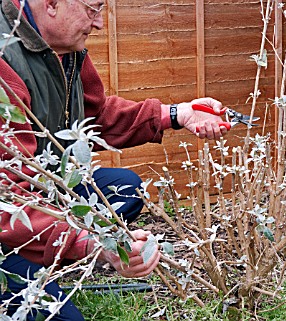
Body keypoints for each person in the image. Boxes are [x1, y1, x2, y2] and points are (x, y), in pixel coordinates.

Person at [0, 0, 229, 319]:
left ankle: (50, 259)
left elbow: (96, 118)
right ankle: (19, 282)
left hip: (48, 191)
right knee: (61, 317)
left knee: (127, 190)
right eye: (93, 9)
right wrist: (93, 244)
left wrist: (177, 114)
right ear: (52, 4)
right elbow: (8, 199)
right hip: (12, 216)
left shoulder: (65, 48)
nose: (99, 24)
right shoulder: (4, 63)